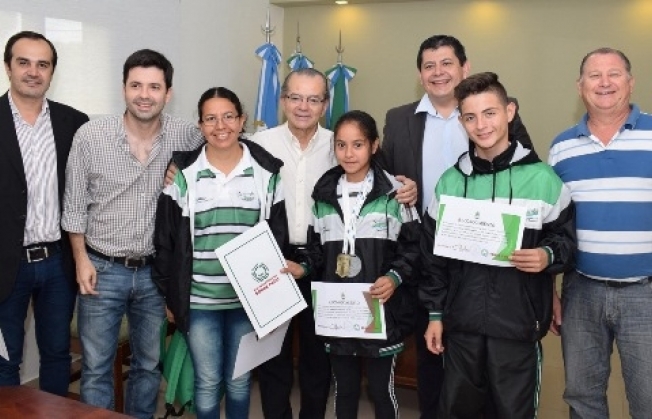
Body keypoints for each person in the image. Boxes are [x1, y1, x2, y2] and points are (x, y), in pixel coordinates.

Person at [251, 68, 417, 419]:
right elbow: (220, 154)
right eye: (295, 97)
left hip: (326, 263)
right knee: (274, 356)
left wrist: (408, 188)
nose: (303, 106)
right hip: (278, 257)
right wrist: (177, 165)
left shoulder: (336, 142)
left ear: (325, 104)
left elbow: (381, 182)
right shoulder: (259, 144)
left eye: (313, 99)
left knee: (319, 357)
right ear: (282, 100)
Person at [381, 34, 533, 418]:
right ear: (420, 74)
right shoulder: (398, 119)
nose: (438, 72)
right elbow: (382, 178)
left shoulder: (493, 113)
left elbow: (525, 173)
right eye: (429, 66)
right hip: (427, 258)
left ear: (464, 68)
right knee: (431, 358)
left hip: (486, 265)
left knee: (486, 366)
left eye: (447, 63)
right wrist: (399, 186)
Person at [420, 72, 575, 418]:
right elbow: (432, 258)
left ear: (509, 112)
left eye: (490, 113)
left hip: (518, 326)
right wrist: (435, 314)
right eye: (470, 117)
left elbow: (566, 240)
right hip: (462, 326)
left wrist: (546, 255)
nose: (481, 125)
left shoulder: (543, 179)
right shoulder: (450, 183)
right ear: (461, 122)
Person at [61, 49, 204, 418]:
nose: (144, 95)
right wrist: (80, 259)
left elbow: (228, 146)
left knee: (148, 365)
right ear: (123, 88)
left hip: (155, 273)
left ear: (168, 93)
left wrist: (186, 170)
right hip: (101, 268)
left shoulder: (186, 136)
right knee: (96, 368)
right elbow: (74, 206)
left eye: (154, 87)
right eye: (136, 85)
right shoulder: (91, 136)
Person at [153, 87, 288, 419]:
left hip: (248, 300)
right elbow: (165, 241)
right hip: (199, 301)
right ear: (200, 126)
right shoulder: (183, 175)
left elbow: (278, 240)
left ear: (242, 121)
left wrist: (272, 302)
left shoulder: (267, 173)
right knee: (208, 382)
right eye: (210, 119)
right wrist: (171, 296)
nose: (220, 126)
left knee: (239, 382)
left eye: (228, 116)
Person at [549, 48, 652, 419]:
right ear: (580, 87)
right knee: (583, 399)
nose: (604, 83)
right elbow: (551, 227)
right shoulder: (561, 148)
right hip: (581, 292)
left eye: (614, 74)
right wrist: (550, 292)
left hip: (646, 294)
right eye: (594, 75)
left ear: (630, 82)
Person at [305, 110, 421, 419]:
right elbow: (316, 251)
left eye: (357, 144)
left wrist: (394, 277)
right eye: (341, 145)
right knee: (345, 389)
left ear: (374, 145)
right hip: (338, 311)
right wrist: (302, 265)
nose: (348, 153)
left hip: (381, 308)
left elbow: (414, 247)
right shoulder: (323, 195)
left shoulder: (396, 193)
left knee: (381, 390)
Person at [0, 31, 88, 396]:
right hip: (6, 264)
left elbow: (92, 184)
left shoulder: (75, 123)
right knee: (5, 359)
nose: (33, 72)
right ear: (8, 67)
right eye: (24, 62)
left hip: (57, 262)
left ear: (52, 71)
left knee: (56, 355)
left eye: (43, 64)